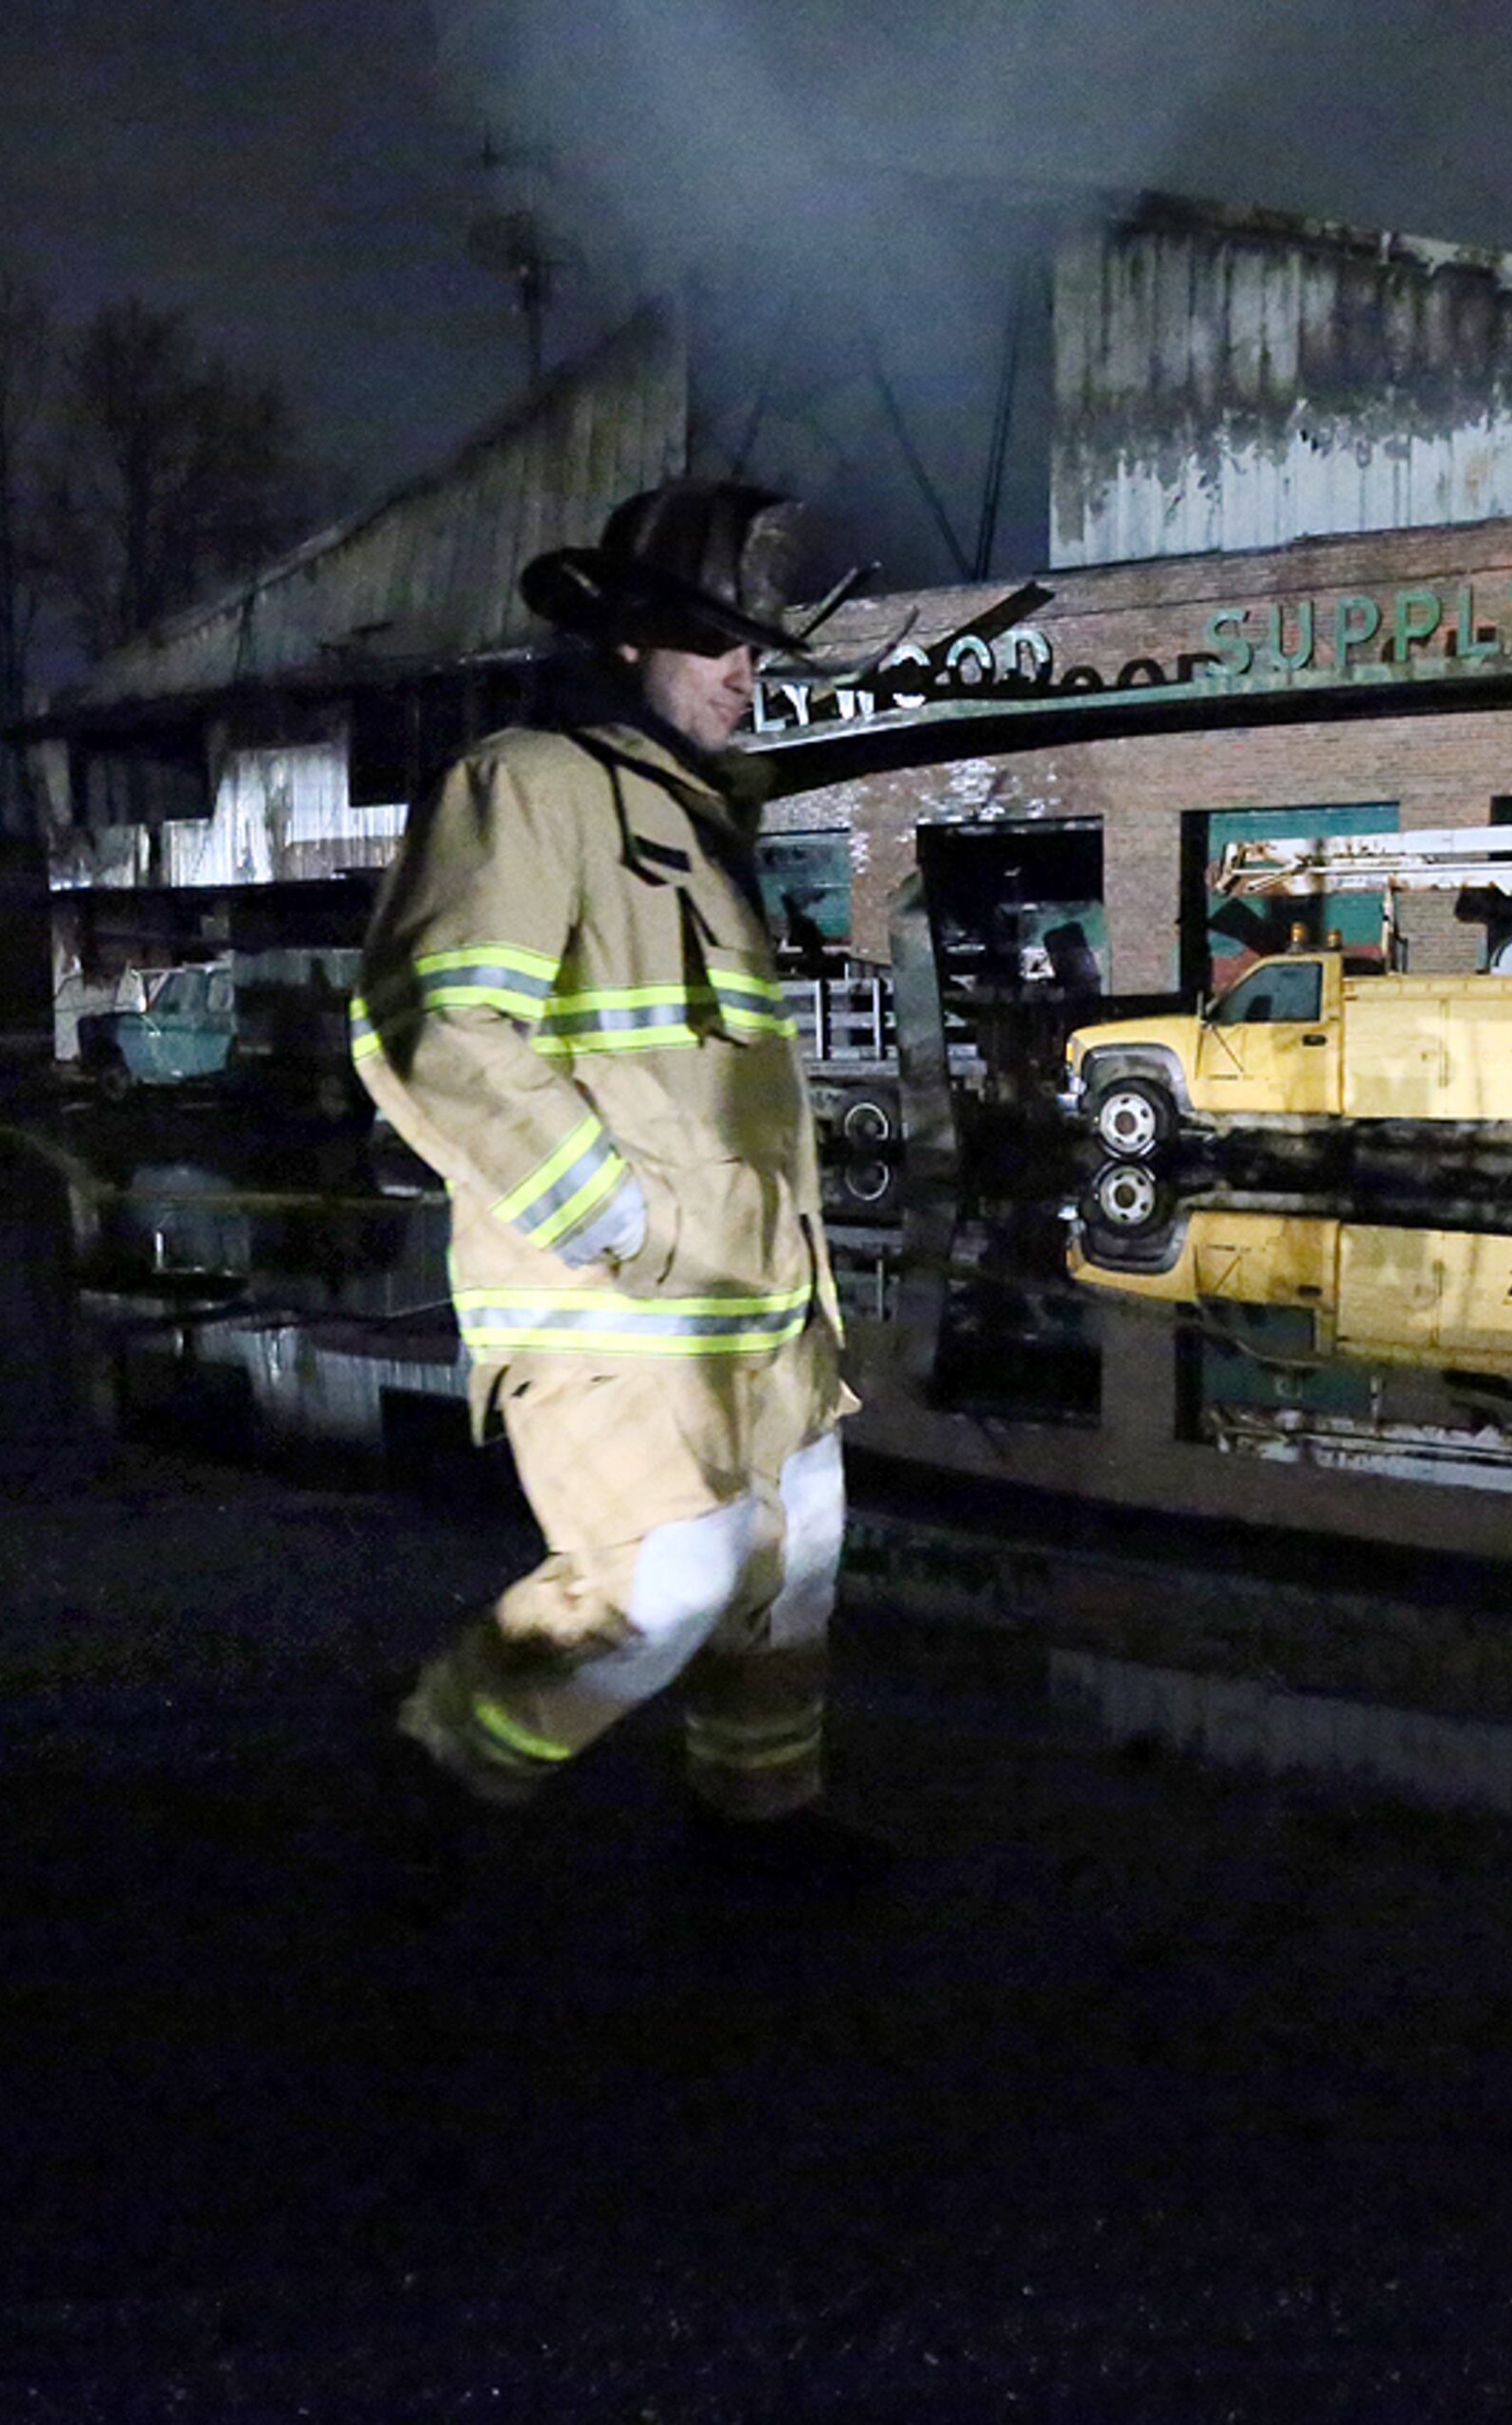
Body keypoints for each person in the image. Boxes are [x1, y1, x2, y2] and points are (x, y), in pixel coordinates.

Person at [350, 479, 869, 1872]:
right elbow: (437, 1028)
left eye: (757, 651)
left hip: (765, 1319)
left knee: (786, 1580)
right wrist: (615, 1220)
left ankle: (760, 1841)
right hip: (619, 1310)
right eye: (719, 647)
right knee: (662, 1584)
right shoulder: (531, 789)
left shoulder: (703, 825)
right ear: (630, 641)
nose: (745, 677)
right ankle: (433, 1788)